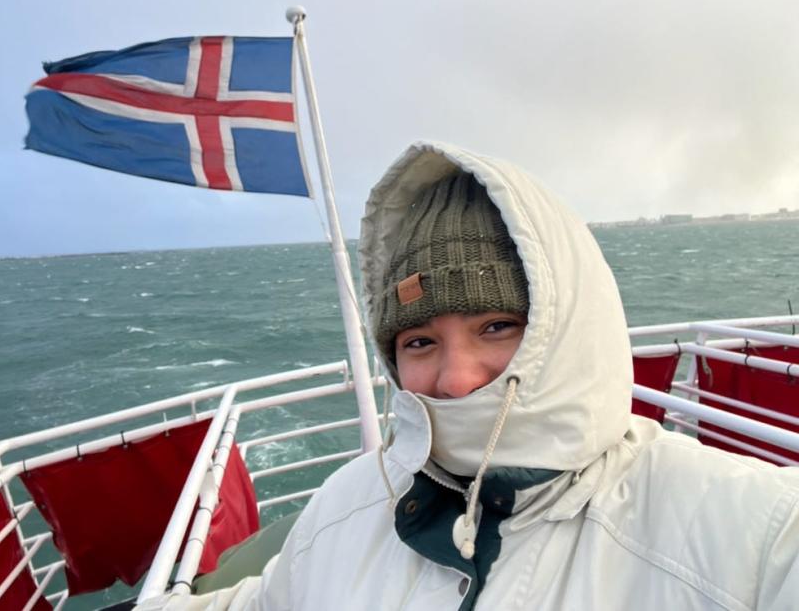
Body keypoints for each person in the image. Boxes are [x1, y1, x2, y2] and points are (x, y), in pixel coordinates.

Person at [139, 141, 799, 610]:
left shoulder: (749, 533)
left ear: (566, 326)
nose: (455, 379)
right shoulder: (349, 506)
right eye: (421, 340)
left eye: (496, 327)